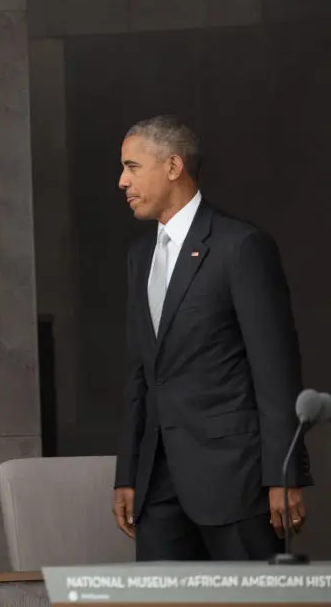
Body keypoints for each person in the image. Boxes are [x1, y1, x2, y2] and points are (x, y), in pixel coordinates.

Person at [114, 115, 311, 561]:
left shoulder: (241, 246)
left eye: (131, 167)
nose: (122, 181)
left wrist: (283, 474)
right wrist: (127, 472)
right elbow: (139, 373)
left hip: (234, 479)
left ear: (172, 166)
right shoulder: (139, 255)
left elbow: (276, 369)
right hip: (157, 484)